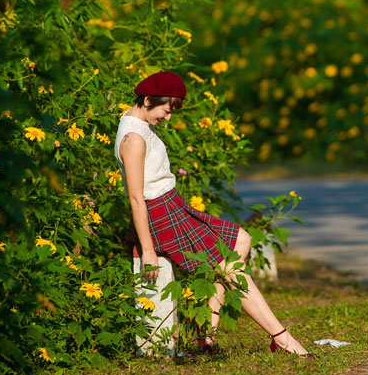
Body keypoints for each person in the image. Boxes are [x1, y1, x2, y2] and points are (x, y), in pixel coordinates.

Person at [114, 70, 314, 357]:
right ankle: (281, 338)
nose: (168, 118)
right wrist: (147, 249)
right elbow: (135, 198)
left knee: (241, 241)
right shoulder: (133, 138)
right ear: (146, 99)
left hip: (173, 204)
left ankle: (205, 336)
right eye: (165, 110)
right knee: (229, 267)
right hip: (160, 213)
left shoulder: (137, 122)